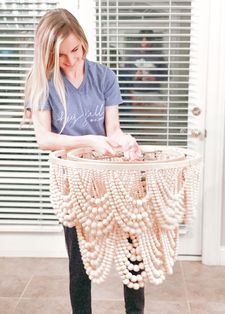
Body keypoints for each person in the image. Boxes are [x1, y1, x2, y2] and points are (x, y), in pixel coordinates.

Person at [24, 8, 144, 314]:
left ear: (83, 41)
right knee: (80, 263)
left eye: (75, 49)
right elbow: (45, 140)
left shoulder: (104, 76)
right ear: (48, 53)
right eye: (62, 55)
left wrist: (125, 142)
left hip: (113, 177)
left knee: (133, 255)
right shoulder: (43, 82)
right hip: (73, 182)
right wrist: (89, 140)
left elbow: (112, 131)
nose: (72, 60)